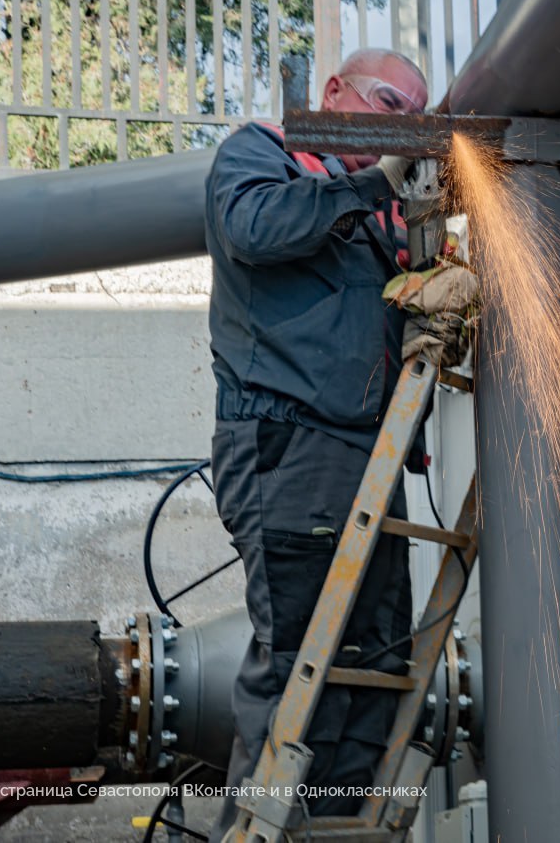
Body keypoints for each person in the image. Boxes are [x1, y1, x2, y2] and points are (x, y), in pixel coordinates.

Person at [204, 48, 430, 841]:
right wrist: (373, 186)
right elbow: (254, 228)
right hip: (291, 446)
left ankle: (338, 830)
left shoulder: (386, 212)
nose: (407, 125)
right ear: (333, 93)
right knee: (302, 665)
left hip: (372, 459)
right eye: (391, 103)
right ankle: (261, 830)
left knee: (375, 663)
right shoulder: (261, 154)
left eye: (418, 115)